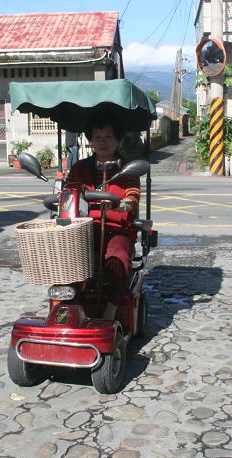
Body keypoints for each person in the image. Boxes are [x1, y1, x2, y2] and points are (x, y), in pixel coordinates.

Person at [68, 115, 140, 321]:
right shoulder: (79, 169)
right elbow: (67, 194)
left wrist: (117, 204)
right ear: (91, 141)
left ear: (117, 141)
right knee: (69, 256)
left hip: (118, 228)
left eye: (108, 136)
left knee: (117, 259)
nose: (102, 141)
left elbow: (132, 200)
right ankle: (75, 305)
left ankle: (110, 311)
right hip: (84, 227)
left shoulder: (128, 168)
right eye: (97, 137)